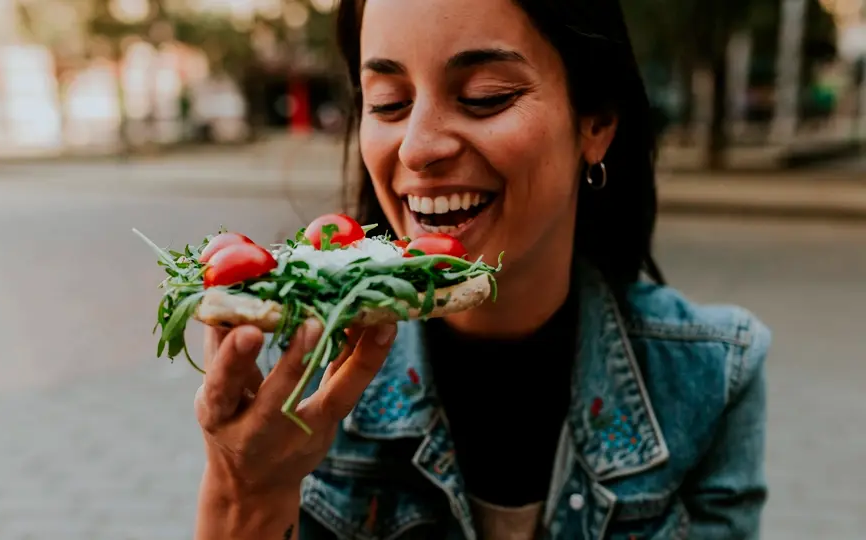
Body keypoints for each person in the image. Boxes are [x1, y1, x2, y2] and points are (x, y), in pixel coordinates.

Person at [191, 0, 772, 538]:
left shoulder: (711, 375)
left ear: (595, 122)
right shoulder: (295, 370)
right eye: (389, 102)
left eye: (485, 96)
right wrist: (245, 491)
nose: (417, 149)